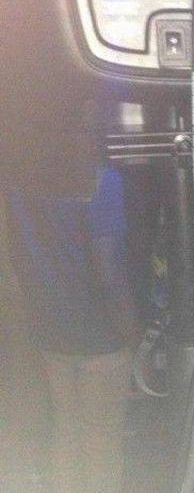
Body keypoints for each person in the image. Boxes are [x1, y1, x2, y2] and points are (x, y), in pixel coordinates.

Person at [6, 165, 141, 493]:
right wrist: (135, 338)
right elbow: (109, 271)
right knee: (102, 441)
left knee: (66, 433)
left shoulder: (20, 179)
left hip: (49, 330)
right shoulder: (100, 178)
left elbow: (13, 259)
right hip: (101, 336)